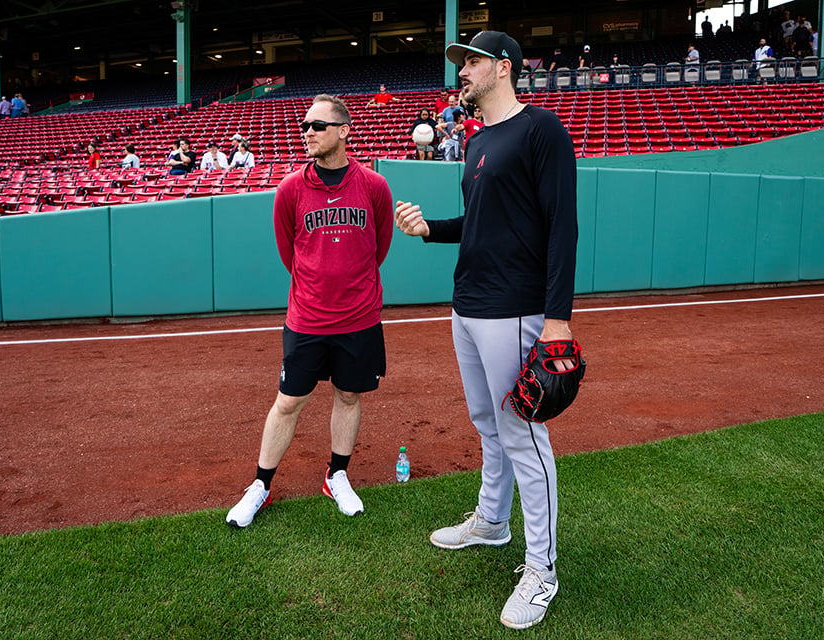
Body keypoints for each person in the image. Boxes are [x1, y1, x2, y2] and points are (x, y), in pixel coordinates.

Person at [394, 30, 579, 630]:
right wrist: (430, 231)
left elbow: (562, 229)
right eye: (460, 63)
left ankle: (542, 571)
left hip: (516, 309)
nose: (462, 72)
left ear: (503, 68)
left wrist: (557, 321)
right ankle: (492, 523)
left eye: (470, 61)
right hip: (468, 303)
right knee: (487, 425)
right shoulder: (475, 143)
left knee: (523, 436)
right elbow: (479, 223)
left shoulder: (540, 130)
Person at [225, 94, 394, 529]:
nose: (308, 132)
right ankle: (260, 485)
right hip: (307, 318)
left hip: (359, 317)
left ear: (343, 131)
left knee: (349, 395)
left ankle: (336, 474)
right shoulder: (290, 189)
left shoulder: (374, 186)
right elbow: (290, 252)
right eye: (304, 126)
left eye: (317, 125)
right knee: (288, 402)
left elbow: (378, 248)